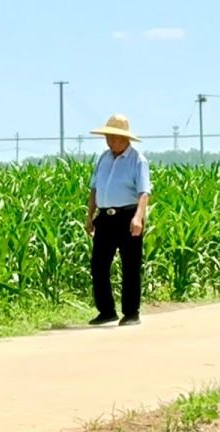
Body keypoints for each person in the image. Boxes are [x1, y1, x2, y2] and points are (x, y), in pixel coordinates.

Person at [85, 114, 151, 326]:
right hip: (105, 217)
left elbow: (144, 192)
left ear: (125, 139)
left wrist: (138, 218)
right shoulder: (104, 158)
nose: (109, 141)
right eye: (107, 137)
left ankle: (131, 313)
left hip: (127, 217)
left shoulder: (137, 160)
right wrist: (90, 216)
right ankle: (106, 311)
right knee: (98, 265)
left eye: (113, 137)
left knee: (130, 266)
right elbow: (94, 189)